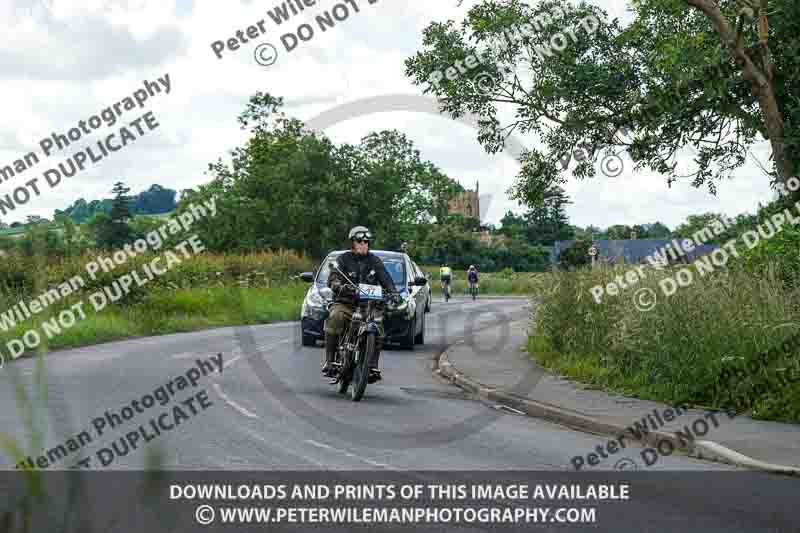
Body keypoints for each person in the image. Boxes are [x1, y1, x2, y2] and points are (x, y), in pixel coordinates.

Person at [323, 226, 401, 383]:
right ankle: (330, 361)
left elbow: (386, 279)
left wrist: (394, 293)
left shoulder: (375, 261)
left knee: (378, 323)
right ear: (353, 243)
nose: (363, 244)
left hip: (369, 307)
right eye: (360, 241)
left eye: (366, 241)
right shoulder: (343, 259)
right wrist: (339, 285)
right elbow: (334, 277)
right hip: (346, 303)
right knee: (335, 316)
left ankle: (372, 365)